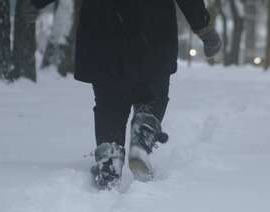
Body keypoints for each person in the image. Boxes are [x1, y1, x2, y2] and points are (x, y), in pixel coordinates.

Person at [30, 0, 222, 189]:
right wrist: (203, 27)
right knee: (152, 92)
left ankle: (109, 157)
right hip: (152, 29)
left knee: (109, 102)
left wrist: (35, 3)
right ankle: (144, 131)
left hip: (102, 28)